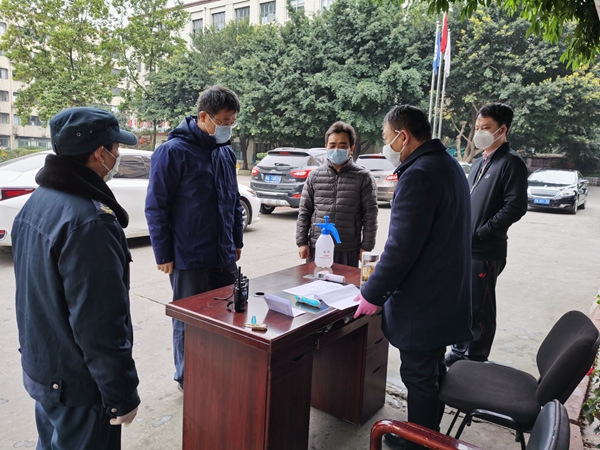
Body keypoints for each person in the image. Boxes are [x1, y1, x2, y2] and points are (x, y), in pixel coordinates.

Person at [12, 107, 141, 449]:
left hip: (47, 371)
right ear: (100, 154)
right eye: (116, 147)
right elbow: (99, 323)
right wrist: (121, 393)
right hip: (81, 386)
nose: (118, 155)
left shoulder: (38, 202)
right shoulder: (89, 221)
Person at [353, 105, 472, 450]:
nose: (386, 145)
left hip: (424, 302)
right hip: (446, 293)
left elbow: (401, 248)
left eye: (386, 137)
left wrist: (371, 293)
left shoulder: (419, 174)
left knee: (419, 377)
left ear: (403, 136)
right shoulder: (447, 164)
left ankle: (418, 442)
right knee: (431, 374)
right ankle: (430, 434)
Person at [145, 85, 243, 392]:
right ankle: (188, 379)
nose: (228, 127)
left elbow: (233, 200)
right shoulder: (172, 152)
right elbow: (156, 206)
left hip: (223, 253)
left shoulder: (224, 152)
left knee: (227, 313)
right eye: (224, 121)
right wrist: (163, 253)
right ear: (203, 116)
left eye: (232, 122)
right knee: (189, 319)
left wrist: (236, 241)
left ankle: (219, 369)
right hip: (189, 255)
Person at [444, 103, 528, 366]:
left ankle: (475, 358)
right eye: (478, 127)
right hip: (466, 248)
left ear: (502, 130)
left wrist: (482, 232)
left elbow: (515, 207)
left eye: (486, 128)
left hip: (486, 250)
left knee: (479, 307)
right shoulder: (480, 162)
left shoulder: (510, 162)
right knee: (462, 302)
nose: (479, 132)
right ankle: (459, 350)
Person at [296, 121, 378, 268]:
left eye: (342, 145)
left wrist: (366, 246)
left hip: (348, 248)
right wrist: (302, 242)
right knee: (315, 281)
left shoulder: (363, 177)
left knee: (346, 282)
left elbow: (370, 215)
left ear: (351, 148)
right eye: (332, 145)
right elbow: (304, 211)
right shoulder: (315, 176)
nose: (336, 149)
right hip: (318, 246)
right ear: (326, 147)